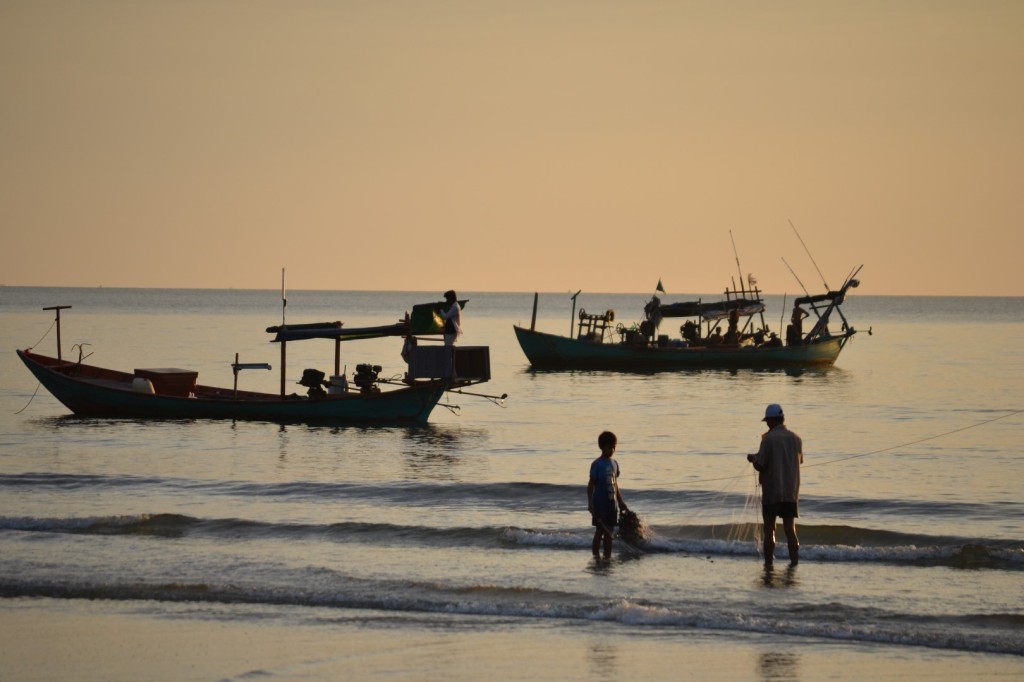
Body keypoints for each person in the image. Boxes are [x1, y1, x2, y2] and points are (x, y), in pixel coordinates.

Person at [747, 404, 803, 568]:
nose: (766, 424)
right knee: (790, 530)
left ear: (772, 420)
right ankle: (794, 563)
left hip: (772, 491)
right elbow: (799, 461)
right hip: (791, 492)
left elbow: (761, 465)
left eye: (767, 421)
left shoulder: (768, 439)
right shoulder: (796, 439)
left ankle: (769, 564)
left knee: (769, 530)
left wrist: (752, 459)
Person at [587, 431, 628, 559]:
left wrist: (620, 502)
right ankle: (595, 557)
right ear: (602, 447)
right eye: (609, 447)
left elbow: (615, 484)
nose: (612, 450)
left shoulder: (614, 463)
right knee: (600, 531)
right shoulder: (597, 464)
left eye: (614, 447)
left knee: (609, 532)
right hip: (600, 504)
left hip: (612, 505)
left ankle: (607, 557)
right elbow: (591, 485)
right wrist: (590, 503)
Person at [438, 290, 462, 377]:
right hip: (449, 331)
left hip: (451, 332)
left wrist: (440, 308)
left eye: (447, 299)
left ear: (451, 298)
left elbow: (445, 316)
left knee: (448, 353)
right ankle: (451, 373)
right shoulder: (454, 306)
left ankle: (450, 374)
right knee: (448, 353)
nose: (446, 301)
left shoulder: (455, 307)